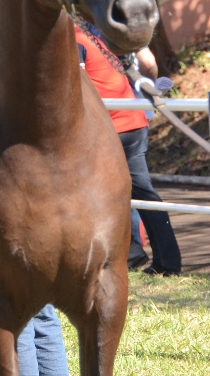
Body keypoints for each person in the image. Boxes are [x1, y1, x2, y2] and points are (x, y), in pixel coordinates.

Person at [75, 26, 181, 276]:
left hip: (110, 129)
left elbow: (79, 85)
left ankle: (131, 253)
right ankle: (168, 261)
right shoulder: (97, 39)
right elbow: (145, 62)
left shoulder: (75, 41)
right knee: (145, 196)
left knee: (92, 195)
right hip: (134, 123)